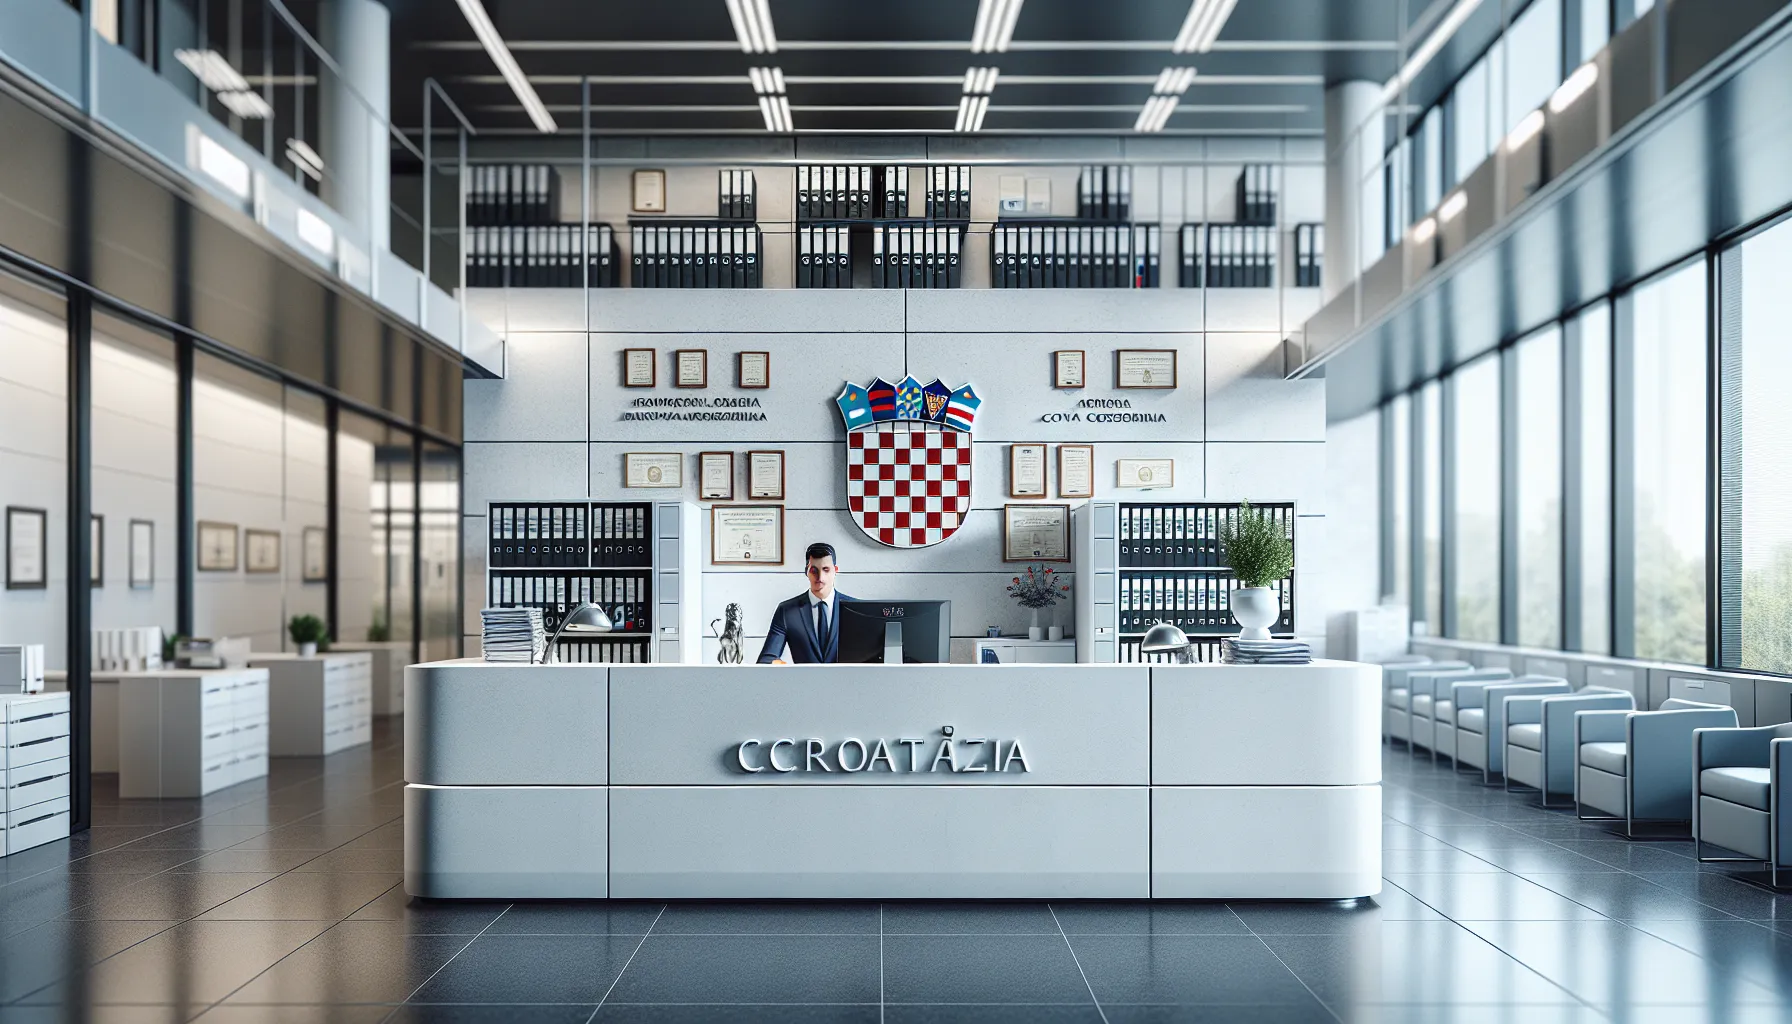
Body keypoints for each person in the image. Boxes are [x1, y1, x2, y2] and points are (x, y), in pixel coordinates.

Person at [757, 542, 855, 664]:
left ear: (835, 571)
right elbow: (766, 660)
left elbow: (871, 659)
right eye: (814, 570)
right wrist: (786, 669)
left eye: (826, 569)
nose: (820, 577)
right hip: (801, 682)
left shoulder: (855, 609)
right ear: (806, 571)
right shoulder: (787, 611)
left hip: (846, 682)